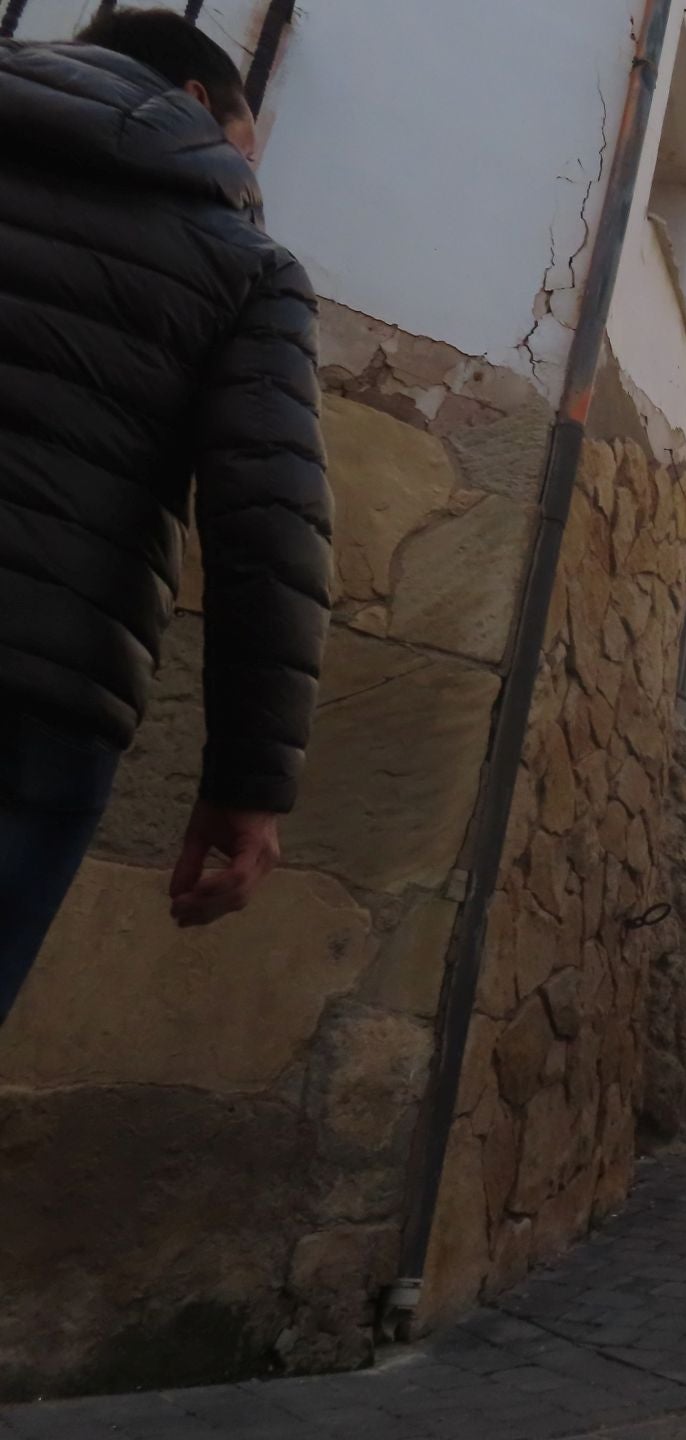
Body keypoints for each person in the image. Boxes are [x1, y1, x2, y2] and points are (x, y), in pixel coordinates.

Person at [0, 10, 331, 1026]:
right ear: (193, 101)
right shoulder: (246, 265)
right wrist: (247, 785)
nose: (248, 175)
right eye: (245, 143)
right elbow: (265, 524)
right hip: (31, 699)